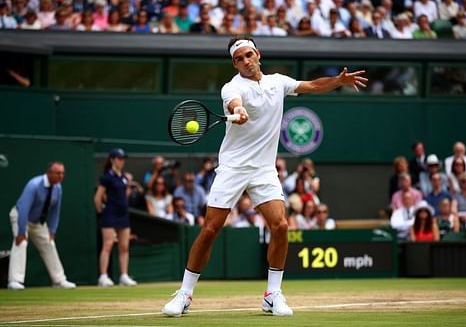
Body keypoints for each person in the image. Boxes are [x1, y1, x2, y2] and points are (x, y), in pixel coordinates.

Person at [162, 35, 367, 317]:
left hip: (263, 169)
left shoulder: (278, 82)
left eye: (248, 55)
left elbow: (310, 85)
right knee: (210, 230)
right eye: (238, 58)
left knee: (281, 225)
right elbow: (234, 103)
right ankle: (184, 295)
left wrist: (337, 82)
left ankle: (272, 295)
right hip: (233, 167)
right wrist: (239, 109)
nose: (245, 61)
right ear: (234, 63)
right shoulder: (232, 87)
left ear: (258, 54)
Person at [7, 162, 76, 290]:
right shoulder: (34, 185)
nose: (61, 176)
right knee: (21, 243)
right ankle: (15, 281)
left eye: (63, 173)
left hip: (38, 223)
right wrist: (21, 232)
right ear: (49, 173)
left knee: (50, 244)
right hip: (20, 217)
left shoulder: (58, 188)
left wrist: (52, 230)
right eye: (58, 173)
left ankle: (59, 280)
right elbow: (23, 209)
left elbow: (55, 211)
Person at [94, 148, 138, 287]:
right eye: (119, 158)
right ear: (112, 159)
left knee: (124, 247)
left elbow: (124, 196)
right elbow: (97, 198)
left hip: (123, 215)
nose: (122, 161)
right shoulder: (106, 177)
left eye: (123, 158)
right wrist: (101, 212)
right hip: (109, 214)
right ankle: (103, 276)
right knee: (107, 245)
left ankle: (124, 275)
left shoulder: (125, 177)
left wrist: (129, 186)